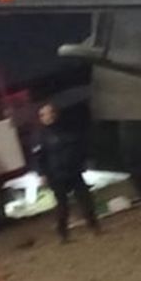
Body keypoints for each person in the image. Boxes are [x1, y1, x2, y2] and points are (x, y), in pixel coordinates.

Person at [34, 101, 100, 242]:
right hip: (56, 175)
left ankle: (94, 226)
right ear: (41, 118)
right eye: (46, 114)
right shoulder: (40, 137)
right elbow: (38, 158)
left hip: (74, 171)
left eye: (52, 113)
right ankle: (63, 234)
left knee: (85, 200)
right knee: (63, 206)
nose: (50, 116)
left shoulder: (67, 129)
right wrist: (42, 174)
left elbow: (80, 146)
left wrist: (86, 160)